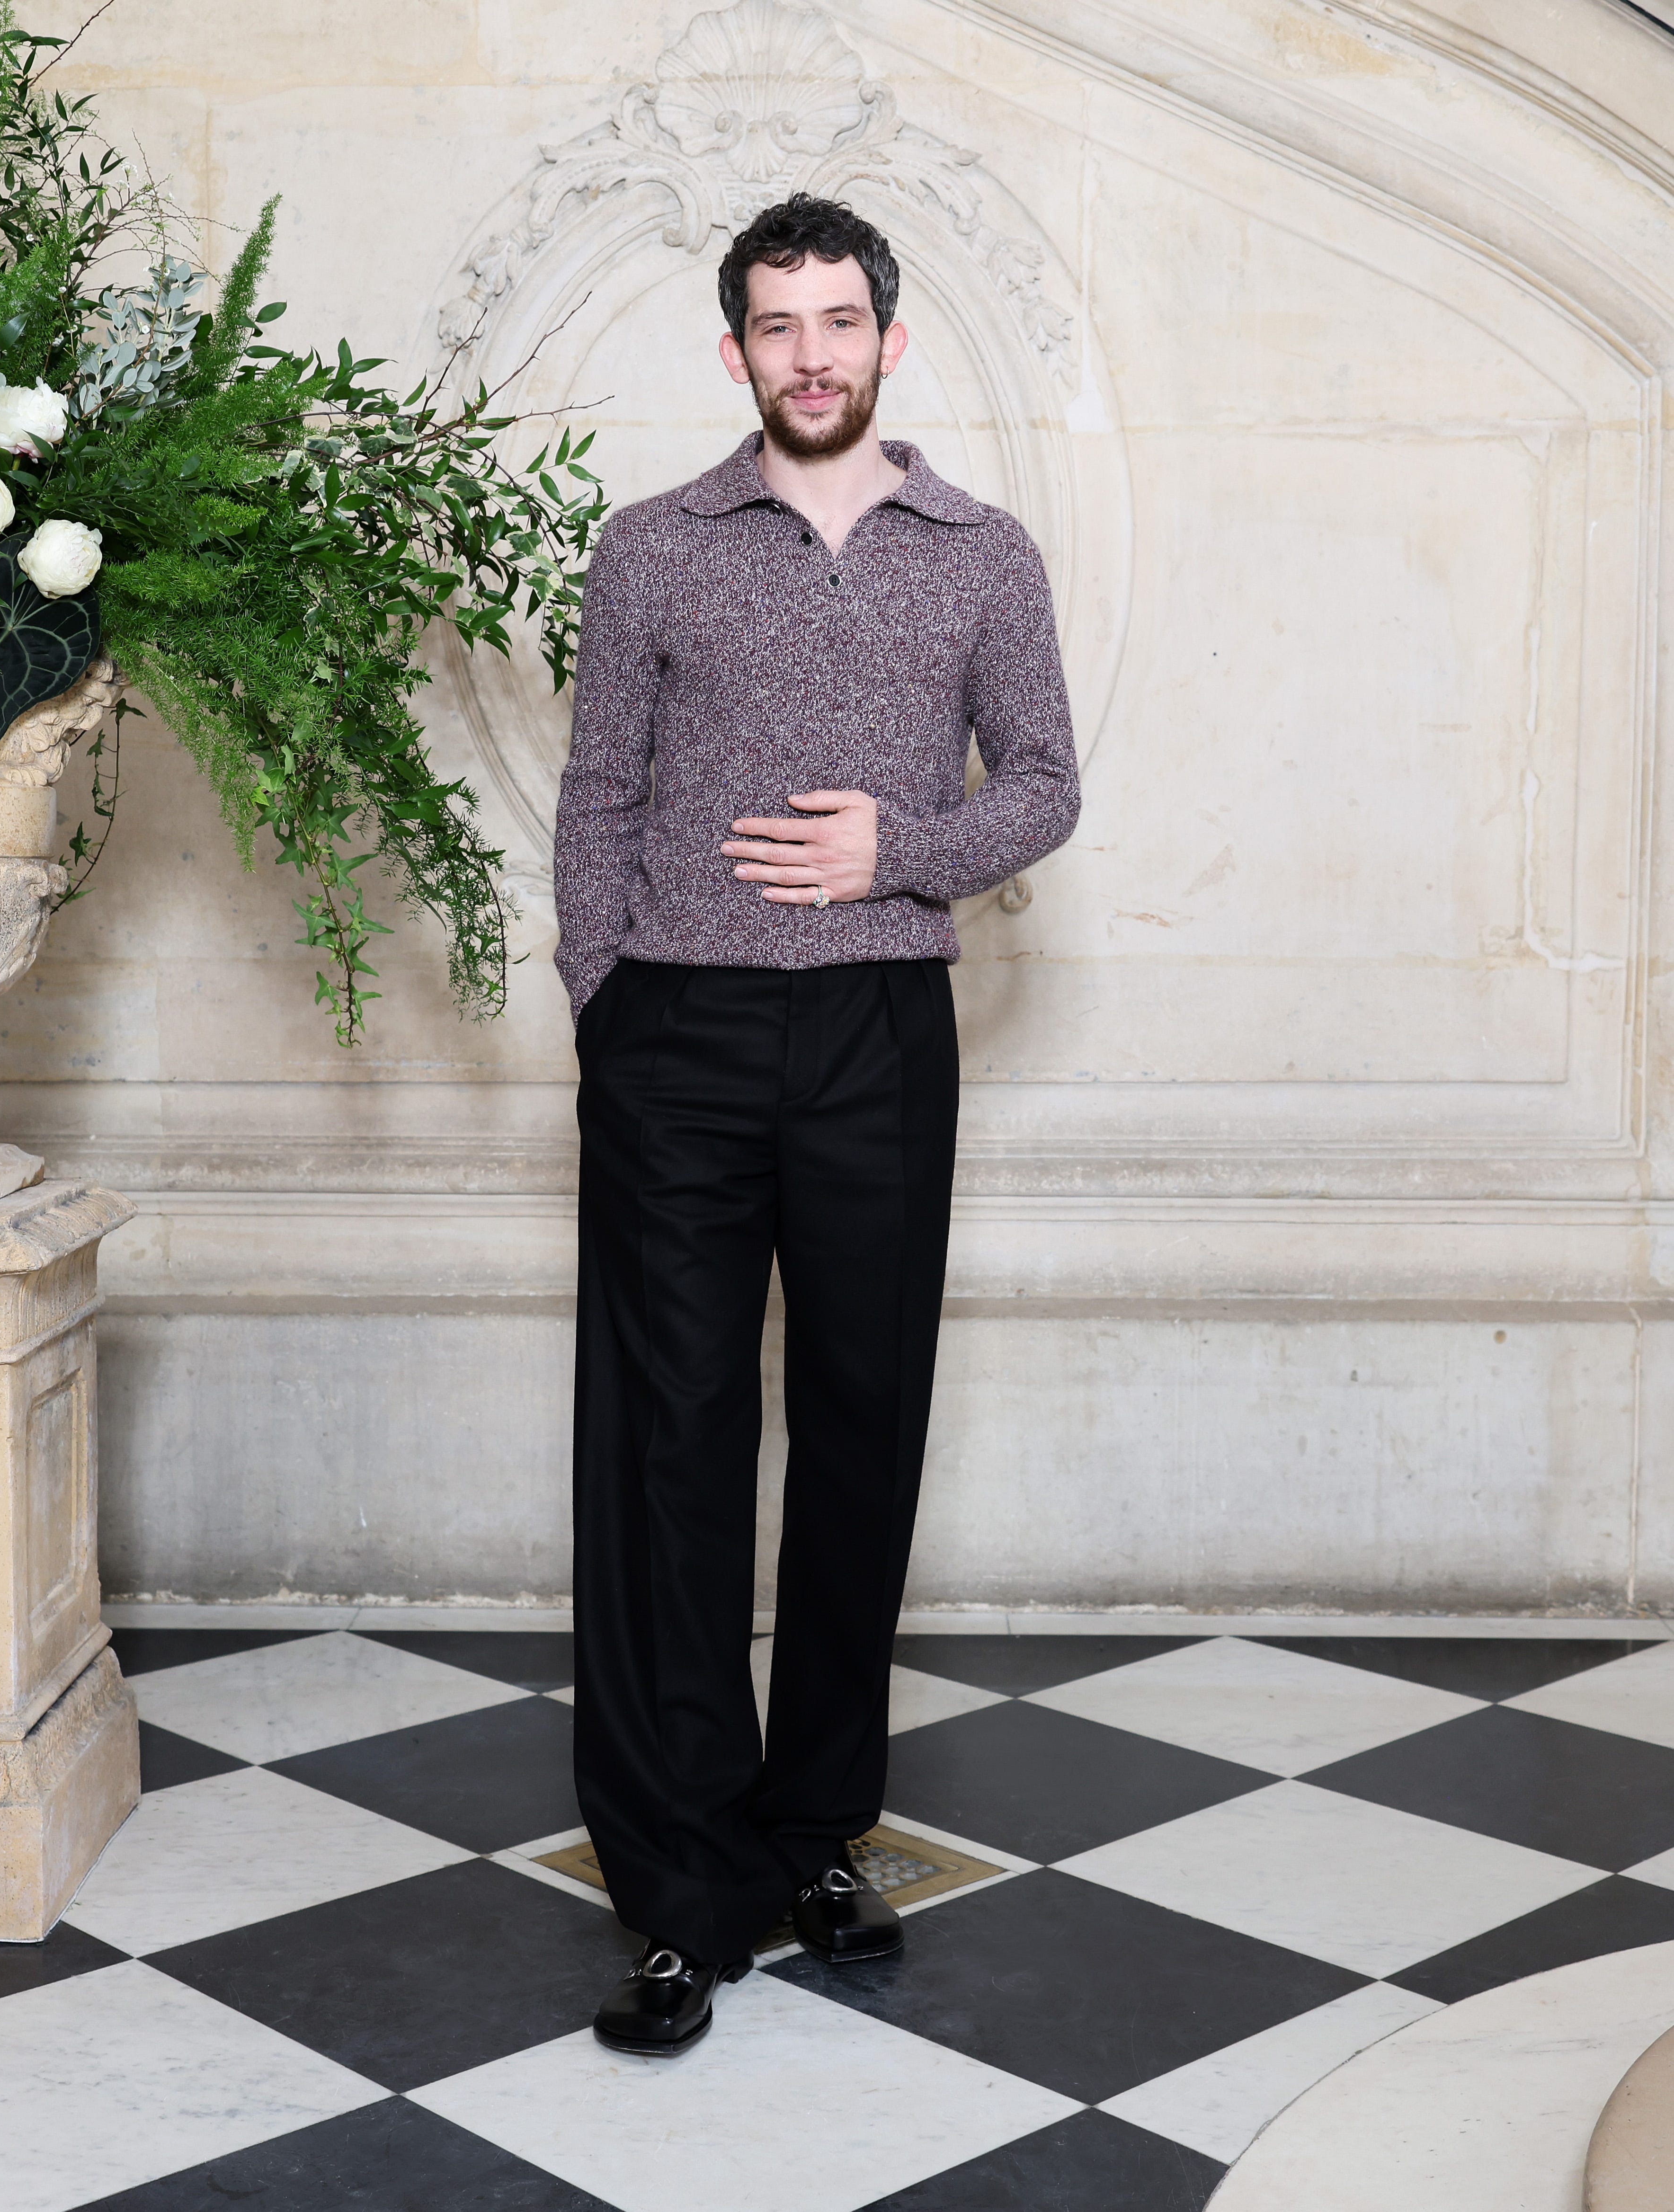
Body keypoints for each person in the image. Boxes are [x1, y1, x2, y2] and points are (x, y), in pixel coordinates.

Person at [553, 191, 1080, 2056]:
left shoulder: (980, 555)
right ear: (732, 353)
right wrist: (607, 1006)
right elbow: (592, 799)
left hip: (876, 1031)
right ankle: (684, 1883)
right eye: (773, 325)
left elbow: (1041, 782)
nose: (808, 352)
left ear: (885, 336)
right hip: (676, 1040)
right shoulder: (652, 550)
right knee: (673, 1449)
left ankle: (813, 1824)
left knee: (859, 1426)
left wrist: (899, 853)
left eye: (836, 319)